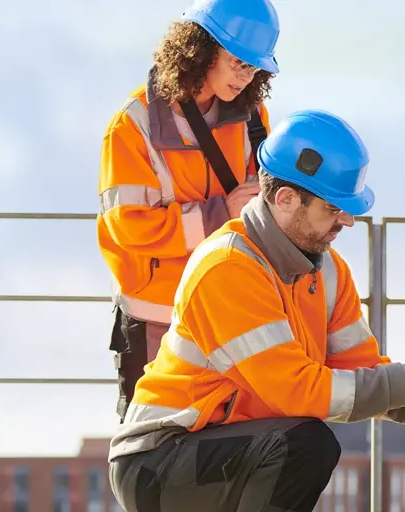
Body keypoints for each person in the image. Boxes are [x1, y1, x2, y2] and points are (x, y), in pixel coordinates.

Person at [107, 109, 405, 512]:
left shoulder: (328, 272)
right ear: (285, 199)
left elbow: (360, 375)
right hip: (157, 461)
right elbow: (297, 392)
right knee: (306, 444)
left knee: (301, 442)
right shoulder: (228, 268)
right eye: (333, 209)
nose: (348, 221)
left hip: (229, 448)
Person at [97, 0, 281, 423]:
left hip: (227, 311)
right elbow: (128, 228)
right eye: (237, 62)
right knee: (149, 452)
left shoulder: (255, 117)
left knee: (223, 451)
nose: (246, 77)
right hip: (155, 319)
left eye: (254, 68)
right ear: (201, 49)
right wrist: (221, 214)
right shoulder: (132, 124)